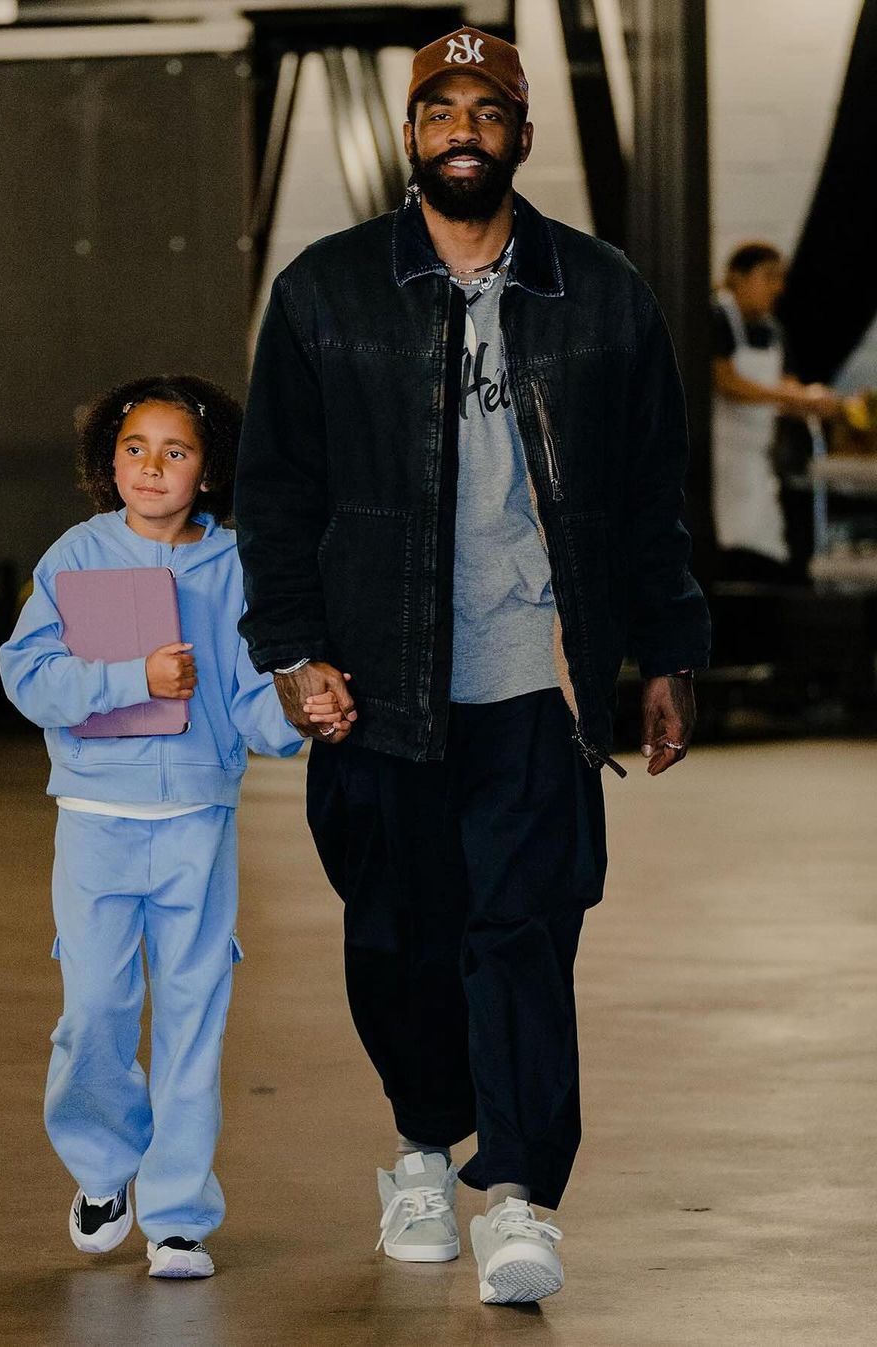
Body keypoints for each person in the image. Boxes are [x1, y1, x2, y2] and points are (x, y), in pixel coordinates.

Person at [235, 27, 711, 1306]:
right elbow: (273, 494)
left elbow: (650, 491)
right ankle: (420, 1153)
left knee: (523, 933)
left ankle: (523, 1197)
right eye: (439, 109)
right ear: (409, 135)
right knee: (395, 936)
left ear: (520, 136)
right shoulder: (325, 293)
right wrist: (287, 652)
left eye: (486, 111)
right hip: (376, 682)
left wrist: (666, 649)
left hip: (534, 679)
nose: (462, 129)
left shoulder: (602, 293)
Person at [0, 375, 339, 1279]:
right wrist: (129, 679)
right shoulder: (74, 556)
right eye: (134, 449)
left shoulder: (234, 566)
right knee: (95, 1010)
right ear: (108, 463)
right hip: (96, 819)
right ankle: (104, 1172)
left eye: (175, 451)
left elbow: (246, 698)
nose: (152, 467)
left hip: (197, 821)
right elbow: (29, 677)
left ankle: (180, 1214)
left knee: (196, 1014)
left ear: (210, 467)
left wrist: (298, 717)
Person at [712, 240, 840, 581]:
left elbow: (787, 386)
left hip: (757, 463)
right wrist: (794, 398)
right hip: (718, 463)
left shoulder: (772, 330)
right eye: (768, 277)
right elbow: (726, 381)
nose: (777, 288)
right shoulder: (716, 317)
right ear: (736, 277)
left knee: (763, 551)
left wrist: (822, 402)